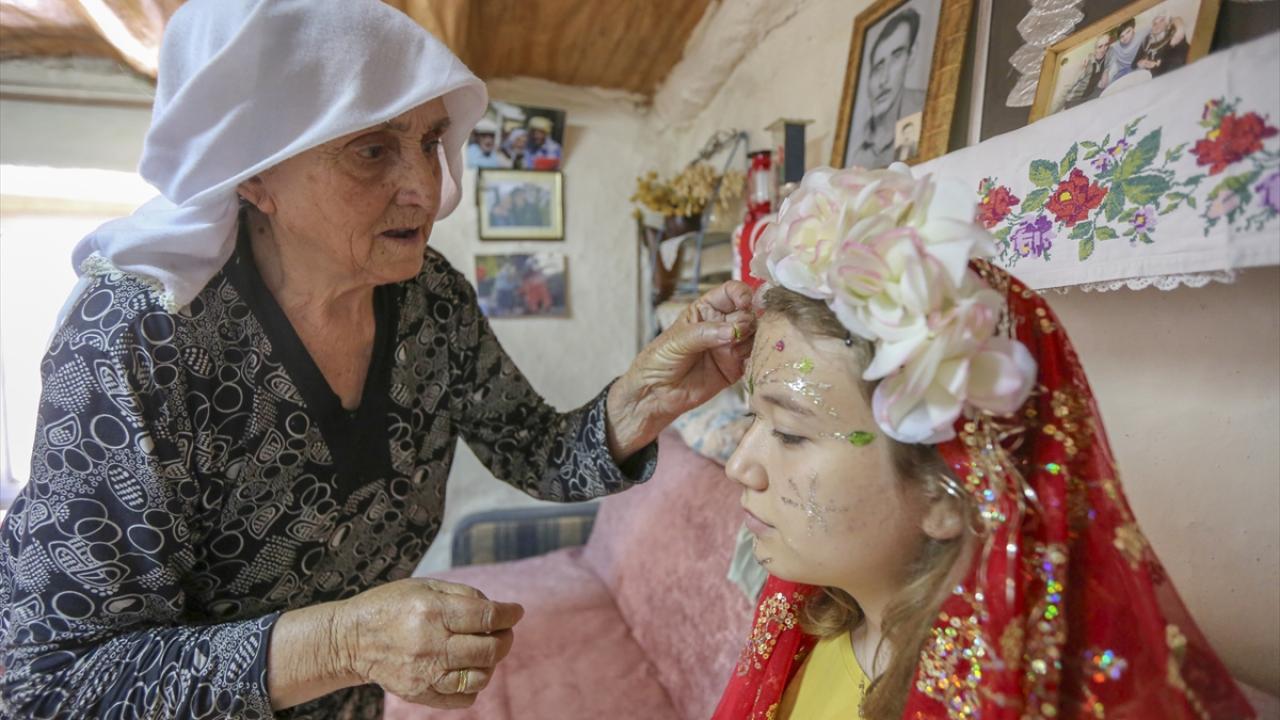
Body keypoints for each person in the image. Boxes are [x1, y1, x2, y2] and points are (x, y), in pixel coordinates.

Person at [0, 2, 757, 718]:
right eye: (371, 149)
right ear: (254, 173)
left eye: (430, 140)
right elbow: (58, 687)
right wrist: (347, 640)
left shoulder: (429, 297)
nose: (426, 187)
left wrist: (649, 394)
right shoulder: (136, 336)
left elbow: (539, 452)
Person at [712, 165, 1256, 719]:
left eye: (789, 432)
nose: (739, 465)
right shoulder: (809, 621)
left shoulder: (1009, 699)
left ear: (949, 492)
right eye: (753, 417)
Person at [845, 9, 926, 170]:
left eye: (896, 57)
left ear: (911, 55)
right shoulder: (855, 145)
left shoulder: (928, 110)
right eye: (878, 66)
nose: (884, 80)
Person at [1063, 33, 1113, 109]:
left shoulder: (1105, 59)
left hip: (1089, 97)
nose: (1103, 49)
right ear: (1095, 49)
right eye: (1100, 47)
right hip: (1074, 100)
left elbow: (1103, 83)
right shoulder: (1087, 62)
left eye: (1106, 45)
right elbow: (1068, 86)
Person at [1135, 12, 1189, 77]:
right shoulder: (1146, 40)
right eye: (1154, 23)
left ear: (1168, 24)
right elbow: (1134, 63)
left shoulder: (1174, 35)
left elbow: (1175, 65)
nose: (1158, 25)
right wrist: (1139, 63)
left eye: (1161, 21)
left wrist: (1156, 66)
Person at [1105, 18, 1145, 86]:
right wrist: (1106, 72)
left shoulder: (1142, 35)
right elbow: (1110, 63)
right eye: (1122, 36)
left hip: (1138, 69)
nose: (1125, 37)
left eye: (1128, 32)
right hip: (1122, 73)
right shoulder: (1115, 47)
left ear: (1133, 29)